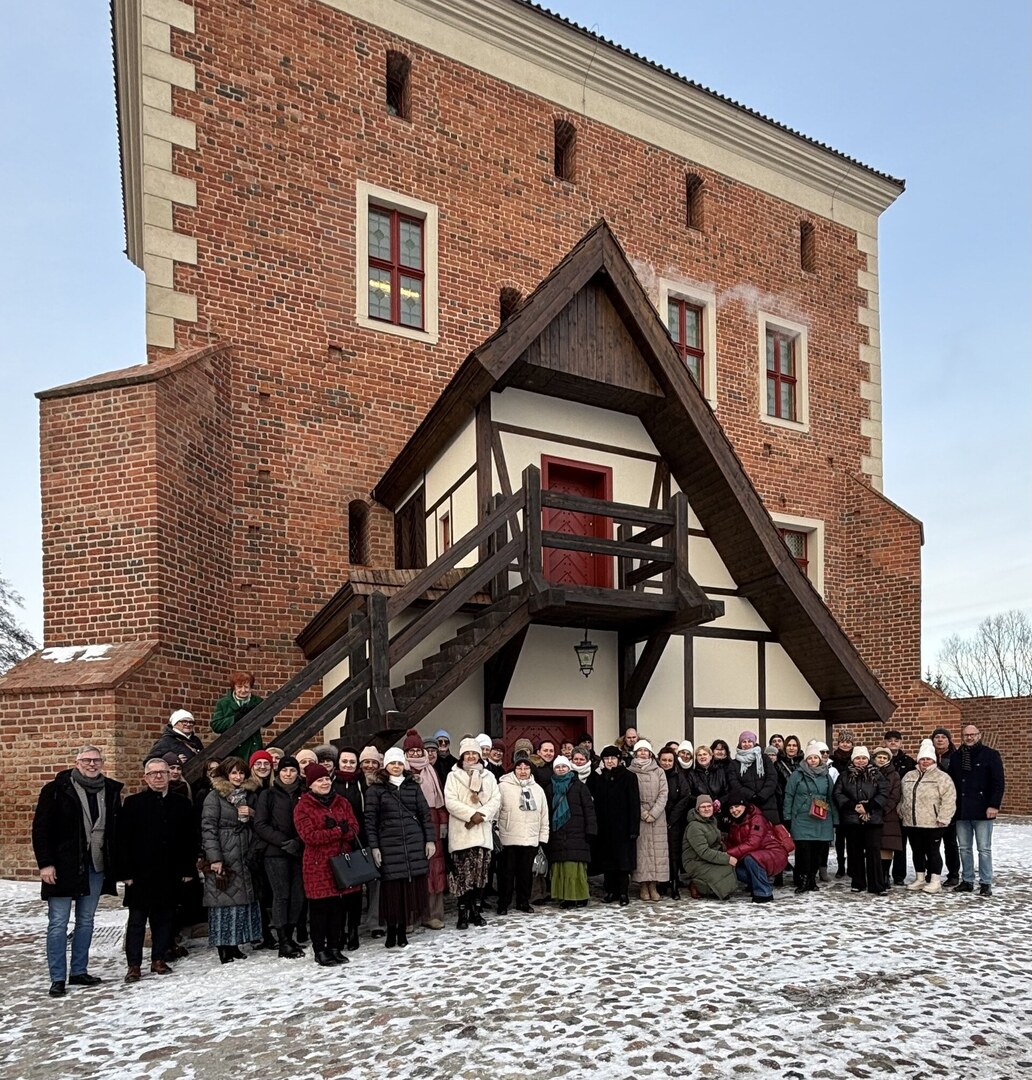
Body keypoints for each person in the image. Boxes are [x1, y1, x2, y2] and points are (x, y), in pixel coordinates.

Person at [31, 745, 124, 998]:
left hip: (95, 865)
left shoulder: (110, 790)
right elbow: (41, 829)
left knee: (86, 921)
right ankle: (57, 977)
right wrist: (45, 864)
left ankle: (79, 970)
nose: (92, 764)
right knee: (58, 922)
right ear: (77, 762)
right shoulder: (56, 790)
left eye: (96, 760)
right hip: (63, 865)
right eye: (87, 760)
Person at [116, 757, 196, 983]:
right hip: (141, 874)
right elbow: (122, 841)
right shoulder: (133, 803)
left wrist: (187, 867)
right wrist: (126, 873)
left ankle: (159, 959)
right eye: (153, 773)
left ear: (170, 775)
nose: (159, 776)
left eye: (163, 772)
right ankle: (134, 965)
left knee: (164, 918)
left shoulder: (182, 804)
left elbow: (190, 839)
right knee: (137, 921)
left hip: (169, 871)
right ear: (146, 777)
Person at [365, 748, 435, 947]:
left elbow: (424, 815)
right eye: (392, 763)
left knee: (408, 890)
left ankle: (403, 930)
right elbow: (370, 821)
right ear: (385, 765)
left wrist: (429, 840)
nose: (396, 767)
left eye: (399, 763)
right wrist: (374, 847)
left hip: (412, 843)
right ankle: (391, 930)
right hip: (389, 845)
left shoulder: (413, 786)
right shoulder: (376, 790)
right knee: (391, 891)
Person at [293, 763, 361, 964]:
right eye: (318, 780)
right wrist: (337, 831)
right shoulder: (303, 806)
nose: (324, 783)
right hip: (318, 864)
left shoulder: (342, 802)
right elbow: (309, 836)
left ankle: (334, 946)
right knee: (320, 908)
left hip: (341, 862)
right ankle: (320, 950)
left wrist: (342, 831)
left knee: (338, 907)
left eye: (325, 779)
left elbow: (354, 827)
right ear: (310, 785)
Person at [200, 756, 262, 963]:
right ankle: (223, 947)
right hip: (225, 852)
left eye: (241, 772)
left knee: (240, 902)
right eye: (234, 773)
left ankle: (235, 943)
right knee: (223, 901)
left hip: (243, 851)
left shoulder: (247, 795)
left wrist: (252, 814)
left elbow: (259, 821)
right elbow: (208, 829)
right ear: (226, 774)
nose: (238, 776)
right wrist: (215, 858)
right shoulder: (214, 797)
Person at [444, 738, 501, 927]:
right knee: (463, 877)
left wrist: (482, 815)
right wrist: (471, 814)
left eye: (474, 753)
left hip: (482, 835)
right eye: (467, 753)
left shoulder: (488, 777)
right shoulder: (454, 776)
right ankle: (463, 912)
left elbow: (495, 799)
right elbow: (450, 802)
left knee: (480, 876)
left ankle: (476, 911)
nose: (471, 756)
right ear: (462, 756)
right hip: (462, 834)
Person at [254, 754, 306, 957]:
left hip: (299, 851)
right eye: (284, 770)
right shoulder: (268, 795)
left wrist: (299, 842)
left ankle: (291, 935)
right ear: (279, 772)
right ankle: (283, 940)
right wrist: (284, 842)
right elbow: (260, 824)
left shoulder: (304, 793)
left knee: (297, 896)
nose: (288, 774)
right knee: (281, 895)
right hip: (275, 853)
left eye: (292, 770)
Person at [948, 724, 1005, 897]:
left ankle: (985, 882)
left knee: (984, 848)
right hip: (962, 810)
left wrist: (994, 805)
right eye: (966, 735)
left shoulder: (990, 755)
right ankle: (967, 880)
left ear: (979, 735)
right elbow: (951, 784)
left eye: (973, 734)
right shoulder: (957, 756)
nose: (969, 737)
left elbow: (998, 783)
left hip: (983, 809)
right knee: (964, 848)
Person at [403, 729, 448, 929]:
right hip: (408, 824)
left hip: (432, 822)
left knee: (434, 869)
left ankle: (432, 914)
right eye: (410, 750)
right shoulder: (400, 770)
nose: (414, 754)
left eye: (417, 750)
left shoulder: (431, 771)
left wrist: (444, 823)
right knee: (411, 871)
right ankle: (410, 916)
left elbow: (439, 802)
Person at [496, 750, 549, 915]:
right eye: (520, 768)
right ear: (514, 769)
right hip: (508, 836)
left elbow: (543, 814)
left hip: (529, 837)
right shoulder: (503, 786)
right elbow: (496, 811)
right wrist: (496, 832)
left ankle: (523, 902)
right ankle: (503, 903)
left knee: (525, 873)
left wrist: (542, 837)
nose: (523, 771)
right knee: (506, 873)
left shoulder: (538, 789)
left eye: (526, 768)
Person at [899, 739, 956, 894]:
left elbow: (949, 799)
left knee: (932, 852)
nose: (925, 762)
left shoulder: (942, 777)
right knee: (917, 851)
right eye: (922, 759)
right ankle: (920, 878)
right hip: (912, 822)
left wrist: (944, 817)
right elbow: (902, 796)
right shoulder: (909, 776)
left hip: (933, 823)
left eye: (928, 759)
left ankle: (935, 880)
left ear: (933, 760)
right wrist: (901, 811)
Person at [832, 746, 889, 895]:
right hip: (852, 819)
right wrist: (853, 806)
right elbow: (837, 793)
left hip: (873, 818)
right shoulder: (844, 776)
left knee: (873, 852)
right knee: (854, 851)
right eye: (858, 758)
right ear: (853, 759)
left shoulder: (877, 775)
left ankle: (877, 885)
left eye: (864, 758)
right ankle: (858, 882)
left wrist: (868, 806)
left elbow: (883, 793)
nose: (861, 761)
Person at [586, 745, 638, 905]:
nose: (609, 761)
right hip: (604, 827)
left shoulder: (629, 777)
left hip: (623, 827)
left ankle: (623, 892)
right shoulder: (597, 777)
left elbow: (634, 803)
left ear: (619, 760)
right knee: (607, 862)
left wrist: (633, 828)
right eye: (606, 759)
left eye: (613, 758)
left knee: (622, 862)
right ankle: (610, 891)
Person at [783, 742, 837, 893]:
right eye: (810, 758)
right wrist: (787, 815)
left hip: (821, 817)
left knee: (817, 851)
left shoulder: (826, 776)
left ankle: (812, 880)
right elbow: (789, 795)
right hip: (802, 817)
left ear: (820, 759)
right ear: (805, 759)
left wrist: (835, 819)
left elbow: (832, 798)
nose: (813, 760)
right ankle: (803, 880)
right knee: (803, 851)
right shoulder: (797, 775)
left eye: (815, 757)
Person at [545, 756, 596, 908]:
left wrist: (591, 830)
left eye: (564, 767)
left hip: (577, 832)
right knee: (560, 866)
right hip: (557, 833)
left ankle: (579, 896)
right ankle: (565, 897)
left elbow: (589, 809)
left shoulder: (579, 786)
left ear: (569, 768)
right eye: (558, 767)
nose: (561, 769)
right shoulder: (549, 788)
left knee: (574, 867)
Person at [725, 797, 788, 904]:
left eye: (737, 806)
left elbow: (753, 843)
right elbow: (733, 843)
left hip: (774, 853)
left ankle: (764, 893)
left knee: (752, 858)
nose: (734, 810)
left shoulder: (757, 818)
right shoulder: (735, 823)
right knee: (733, 867)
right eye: (731, 808)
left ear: (744, 806)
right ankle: (755, 883)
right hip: (755, 854)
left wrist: (726, 854)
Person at [629, 741, 669, 902]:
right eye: (640, 750)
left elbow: (664, 793)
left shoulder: (658, 771)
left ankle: (654, 885)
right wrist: (642, 812)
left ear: (651, 753)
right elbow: (630, 795)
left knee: (658, 852)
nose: (643, 753)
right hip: (639, 816)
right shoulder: (630, 772)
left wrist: (654, 813)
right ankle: (643, 885)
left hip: (657, 817)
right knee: (642, 852)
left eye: (646, 750)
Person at [681, 795, 737, 900]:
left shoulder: (712, 821)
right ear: (697, 810)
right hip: (695, 861)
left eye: (709, 806)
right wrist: (727, 858)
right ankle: (697, 885)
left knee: (728, 868)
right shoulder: (694, 826)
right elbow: (704, 851)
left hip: (706, 857)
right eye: (703, 807)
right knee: (724, 870)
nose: (707, 809)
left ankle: (714, 888)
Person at [358, 745, 385, 938]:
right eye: (366, 762)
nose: (369, 765)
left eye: (373, 762)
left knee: (377, 881)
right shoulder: (353, 782)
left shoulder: (382, 784)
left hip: (379, 837)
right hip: (356, 838)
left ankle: (375, 921)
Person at [727, 731, 780, 825]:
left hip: (768, 804)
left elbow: (772, 778)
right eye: (744, 742)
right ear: (740, 743)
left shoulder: (764, 759)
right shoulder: (734, 763)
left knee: (770, 836)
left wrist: (762, 795)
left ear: (754, 743)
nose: (747, 744)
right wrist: (751, 795)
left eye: (749, 741)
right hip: (747, 804)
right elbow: (734, 783)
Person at [211, 672, 266, 761]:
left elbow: (268, 721)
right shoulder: (224, 703)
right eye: (239, 687)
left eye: (246, 687)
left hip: (252, 745)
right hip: (232, 747)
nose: (243, 690)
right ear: (234, 687)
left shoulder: (257, 701)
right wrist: (235, 718)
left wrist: (257, 713)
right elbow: (216, 725)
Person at [658, 747, 690, 898]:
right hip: (657, 818)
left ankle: (675, 881)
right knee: (660, 852)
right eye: (664, 760)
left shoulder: (679, 776)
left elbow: (684, 797)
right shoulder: (656, 775)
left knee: (673, 852)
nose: (666, 763)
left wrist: (671, 819)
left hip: (675, 820)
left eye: (670, 760)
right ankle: (662, 882)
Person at [930, 726, 960, 886]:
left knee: (950, 843)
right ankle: (932, 872)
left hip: (949, 806)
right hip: (929, 807)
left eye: (943, 737)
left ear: (948, 740)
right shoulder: (927, 757)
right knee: (931, 844)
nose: (940, 740)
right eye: (937, 737)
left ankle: (953, 874)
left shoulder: (956, 757)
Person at [872, 747, 903, 888]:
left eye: (885, 758)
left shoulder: (894, 775)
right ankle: (875, 874)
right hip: (871, 812)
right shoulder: (869, 771)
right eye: (879, 757)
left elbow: (895, 795)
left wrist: (883, 809)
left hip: (888, 814)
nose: (881, 760)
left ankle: (885, 874)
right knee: (874, 845)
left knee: (887, 846)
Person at [830, 730, 855, 877]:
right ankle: (840, 866)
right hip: (838, 802)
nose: (845, 744)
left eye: (848, 742)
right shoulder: (833, 760)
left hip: (853, 802)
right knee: (840, 838)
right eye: (843, 741)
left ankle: (852, 865)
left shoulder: (857, 758)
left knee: (853, 838)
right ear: (838, 743)